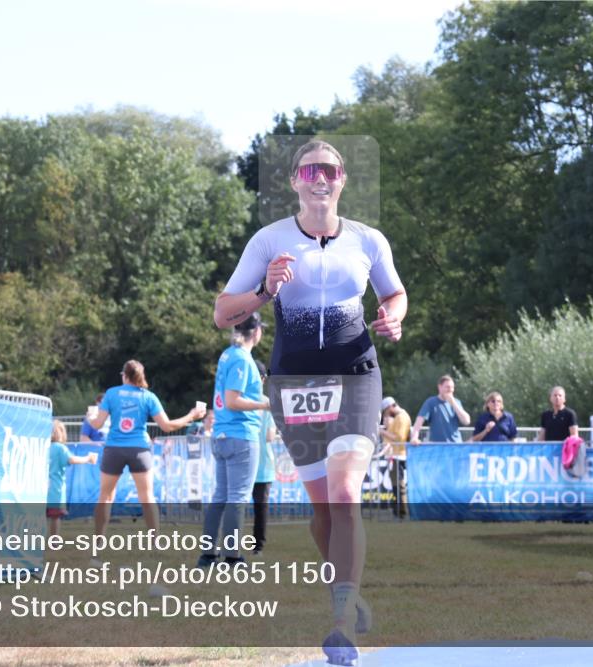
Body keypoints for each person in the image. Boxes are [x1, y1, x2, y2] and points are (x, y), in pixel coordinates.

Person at [214, 139, 406, 665]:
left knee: (345, 495)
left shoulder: (368, 240)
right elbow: (222, 313)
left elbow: (394, 293)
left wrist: (394, 315)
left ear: (343, 179)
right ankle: (348, 591)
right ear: (295, 180)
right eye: (310, 170)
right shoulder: (269, 241)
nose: (320, 178)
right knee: (322, 508)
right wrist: (264, 293)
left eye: (331, 169)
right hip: (294, 380)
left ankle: (340, 621)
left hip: (356, 373)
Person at [85, 359, 205, 555]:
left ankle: (98, 543)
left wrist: (90, 417)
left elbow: (97, 425)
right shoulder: (148, 397)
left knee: (105, 497)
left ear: (124, 375)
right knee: (147, 497)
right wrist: (191, 416)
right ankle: (155, 543)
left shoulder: (112, 393)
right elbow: (167, 426)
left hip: (114, 448)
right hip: (140, 450)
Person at [198, 313, 269, 567]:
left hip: (223, 434)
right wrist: (265, 404)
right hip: (241, 435)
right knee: (237, 498)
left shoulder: (228, 354)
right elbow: (232, 400)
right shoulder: (242, 358)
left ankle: (208, 555)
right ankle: (231, 557)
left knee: (221, 496)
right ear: (256, 331)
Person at [46, 419, 97, 538]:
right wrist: (88, 459)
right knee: (55, 517)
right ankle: (54, 541)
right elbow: (72, 459)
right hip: (55, 491)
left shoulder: (42, 447)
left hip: (41, 490)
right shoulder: (60, 448)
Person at [251, 360, 277, 555]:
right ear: (262, 379)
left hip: (243, 461)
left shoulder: (237, 398)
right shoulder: (266, 401)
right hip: (263, 463)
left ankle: (229, 545)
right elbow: (270, 436)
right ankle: (258, 546)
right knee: (261, 507)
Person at [409, 375, 471, 443]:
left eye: (452, 387)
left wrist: (453, 403)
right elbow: (419, 421)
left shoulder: (457, 402)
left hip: (455, 445)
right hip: (437, 446)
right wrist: (414, 437)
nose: (450, 390)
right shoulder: (431, 402)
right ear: (439, 387)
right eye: (447, 387)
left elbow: (466, 421)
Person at [379, 396, 411, 518]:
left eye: (387, 411)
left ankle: (401, 512)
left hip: (398, 456)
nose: (387, 414)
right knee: (396, 485)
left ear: (391, 406)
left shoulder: (402, 418)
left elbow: (398, 438)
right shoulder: (399, 417)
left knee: (399, 485)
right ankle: (397, 511)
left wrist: (381, 431)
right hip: (394, 455)